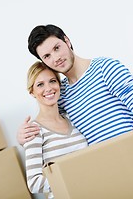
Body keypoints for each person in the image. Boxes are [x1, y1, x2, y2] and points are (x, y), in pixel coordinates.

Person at [17, 24, 133, 146]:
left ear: (67, 41)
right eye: (47, 56)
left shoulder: (106, 68)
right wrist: (22, 136)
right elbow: (50, 123)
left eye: (57, 48)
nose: (56, 58)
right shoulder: (61, 94)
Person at [24, 61, 88, 199]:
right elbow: (34, 183)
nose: (48, 88)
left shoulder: (73, 119)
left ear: (59, 85)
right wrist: (74, 180)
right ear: (32, 92)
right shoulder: (33, 131)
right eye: (40, 84)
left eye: (52, 81)